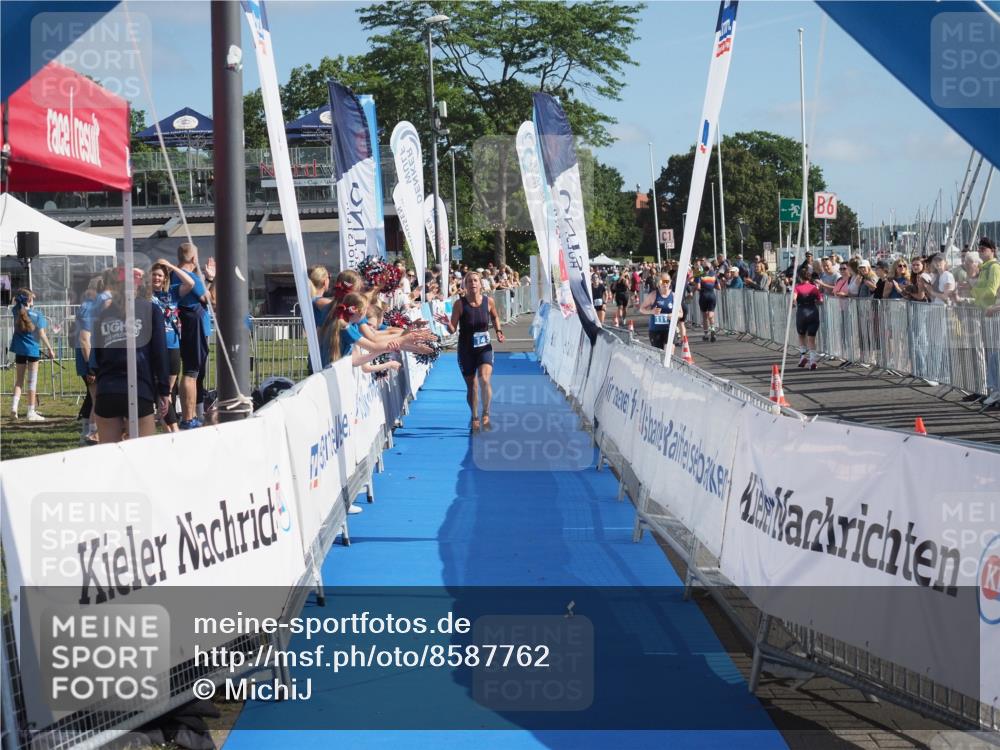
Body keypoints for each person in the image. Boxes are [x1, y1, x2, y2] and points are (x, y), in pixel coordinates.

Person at [91, 269, 171, 442]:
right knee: (144, 455)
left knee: (110, 454)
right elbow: (160, 352)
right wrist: (164, 390)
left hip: (108, 390)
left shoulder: (103, 314)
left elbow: (95, 358)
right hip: (139, 387)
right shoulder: (151, 310)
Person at [434, 272, 505, 431]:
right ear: (464, 286)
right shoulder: (459, 304)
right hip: (466, 349)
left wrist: (498, 331)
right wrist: (446, 323)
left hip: (484, 348)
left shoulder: (489, 301)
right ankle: (474, 417)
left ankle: (486, 413)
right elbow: (452, 330)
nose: (472, 283)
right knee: (472, 386)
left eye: (475, 280)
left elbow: (495, 317)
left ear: (480, 284)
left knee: (485, 379)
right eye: (469, 281)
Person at [151, 260, 196, 433]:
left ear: (164, 278)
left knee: (168, 390)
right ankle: (172, 430)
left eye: (160, 275)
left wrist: (172, 266)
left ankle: (168, 429)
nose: (156, 278)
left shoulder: (171, 294)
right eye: (154, 274)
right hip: (156, 346)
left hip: (173, 345)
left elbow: (190, 283)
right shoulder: (146, 294)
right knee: (162, 390)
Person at [172, 242, 210, 429]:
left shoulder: (173, 275)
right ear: (194, 258)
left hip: (184, 328)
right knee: (191, 372)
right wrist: (212, 279)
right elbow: (210, 300)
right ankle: (188, 418)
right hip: (192, 328)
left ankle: (192, 415)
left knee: (193, 373)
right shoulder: (190, 277)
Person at [9, 289, 55, 422]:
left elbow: (14, 301)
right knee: (32, 382)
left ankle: (14, 408)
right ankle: (30, 412)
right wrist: (50, 349)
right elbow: (42, 334)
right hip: (33, 351)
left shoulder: (16, 311)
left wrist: (19, 299)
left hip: (20, 351)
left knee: (19, 381)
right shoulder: (38, 314)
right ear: (29, 300)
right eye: (32, 298)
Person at [640, 273, 685, 350]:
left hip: (670, 329)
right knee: (659, 355)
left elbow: (681, 313)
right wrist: (652, 311)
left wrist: (674, 315)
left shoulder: (674, 296)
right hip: (655, 330)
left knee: (669, 353)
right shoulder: (653, 295)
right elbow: (641, 309)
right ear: (658, 283)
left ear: (670, 282)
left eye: (667, 281)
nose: (665, 284)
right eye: (662, 281)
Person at [793, 268, 824, 370]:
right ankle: (812, 361)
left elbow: (794, 299)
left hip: (802, 313)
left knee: (801, 335)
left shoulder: (797, 287)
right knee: (811, 338)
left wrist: (793, 304)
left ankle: (803, 357)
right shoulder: (814, 288)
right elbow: (820, 300)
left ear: (799, 277)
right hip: (813, 313)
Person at [696, 267, 720, 341]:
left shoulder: (700, 276)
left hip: (703, 296)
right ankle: (712, 329)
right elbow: (719, 287)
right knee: (710, 315)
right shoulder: (714, 276)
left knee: (704, 316)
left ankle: (706, 334)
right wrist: (711, 286)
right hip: (712, 295)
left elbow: (698, 287)